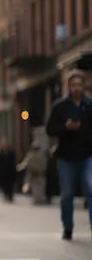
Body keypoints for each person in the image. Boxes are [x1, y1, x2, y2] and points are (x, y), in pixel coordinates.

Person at [45, 70, 92, 240]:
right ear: (69, 87)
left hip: (88, 156)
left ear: (84, 86)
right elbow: (49, 129)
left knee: (91, 189)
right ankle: (67, 227)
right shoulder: (60, 106)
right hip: (66, 157)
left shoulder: (89, 105)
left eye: (79, 85)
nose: (77, 88)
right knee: (67, 195)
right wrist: (65, 127)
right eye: (73, 85)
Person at [18, 139, 49, 205]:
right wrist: (20, 166)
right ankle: (37, 199)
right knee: (36, 187)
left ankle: (38, 199)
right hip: (33, 173)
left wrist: (21, 166)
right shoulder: (31, 154)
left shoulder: (40, 155)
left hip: (39, 173)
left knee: (39, 187)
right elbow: (26, 163)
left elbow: (44, 165)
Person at [0, 138, 17, 202]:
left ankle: (10, 196)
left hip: (10, 173)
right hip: (2, 174)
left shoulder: (11, 153)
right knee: (4, 185)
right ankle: (6, 195)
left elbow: (13, 162)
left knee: (10, 185)